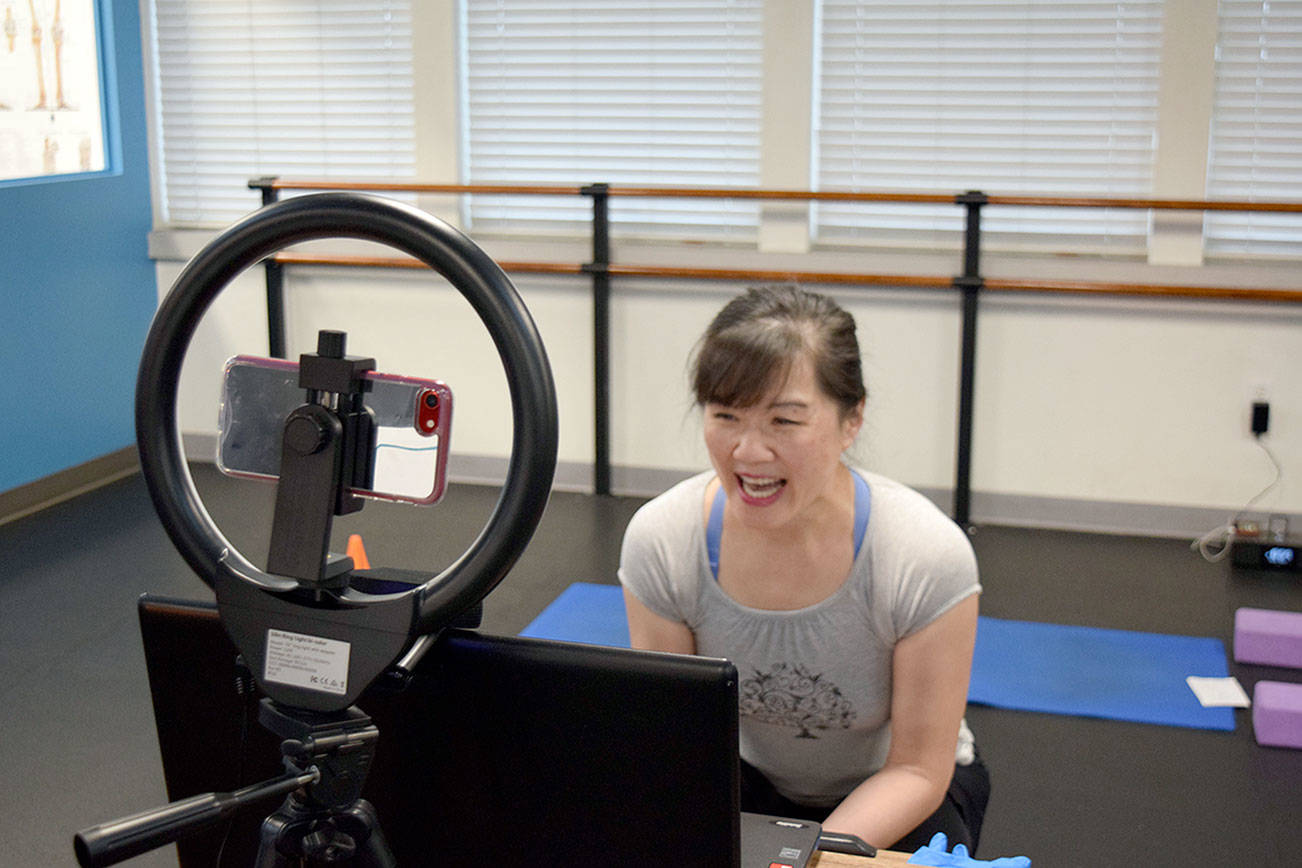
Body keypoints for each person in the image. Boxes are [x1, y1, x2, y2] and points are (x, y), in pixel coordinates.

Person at [618, 285, 989, 853]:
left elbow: (917, 769)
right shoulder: (664, 541)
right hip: (743, 781)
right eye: (725, 415)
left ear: (852, 419)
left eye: (784, 421)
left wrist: (800, 857)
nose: (747, 452)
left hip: (900, 789)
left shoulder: (923, 554)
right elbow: (676, 744)